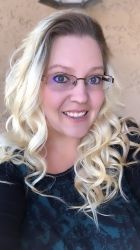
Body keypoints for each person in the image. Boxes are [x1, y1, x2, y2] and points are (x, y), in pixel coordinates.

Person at [0, 10, 140, 250]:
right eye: (61, 78)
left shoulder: (126, 142)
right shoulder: (9, 172)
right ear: (33, 83)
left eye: (94, 79)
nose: (81, 96)